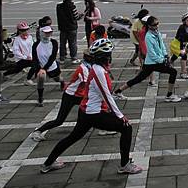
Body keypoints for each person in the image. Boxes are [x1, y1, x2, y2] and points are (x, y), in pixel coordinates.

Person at [40, 39, 143, 175]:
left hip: (87, 111)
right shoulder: (98, 71)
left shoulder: (97, 68)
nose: (110, 57)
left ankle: (48, 163)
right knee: (126, 128)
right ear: (105, 57)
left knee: (73, 137)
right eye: (109, 54)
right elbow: (106, 95)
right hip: (93, 113)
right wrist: (119, 115)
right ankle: (125, 165)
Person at [114, 16, 181, 103]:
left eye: (157, 24)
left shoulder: (157, 33)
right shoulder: (148, 37)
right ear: (149, 26)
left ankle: (117, 92)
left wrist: (165, 55)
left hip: (154, 62)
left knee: (138, 79)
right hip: (153, 62)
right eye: (154, 25)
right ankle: (169, 95)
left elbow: (162, 45)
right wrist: (162, 60)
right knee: (173, 72)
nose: (156, 26)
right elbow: (151, 53)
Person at [31, 49, 93, 141]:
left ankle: (83, 130)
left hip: (79, 95)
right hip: (71, 96)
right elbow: (89, 84)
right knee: (59, 120)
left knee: (89, 112)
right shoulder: (83, 69)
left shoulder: (89, 67)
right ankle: (38, 131)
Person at [33, 26, 65, 106]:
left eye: (49, 32)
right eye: (46, 32)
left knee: (58, 79)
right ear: (41, 33)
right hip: (40, 68)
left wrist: (45, 68)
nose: (48, 34)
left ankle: (62, 82)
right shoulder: (36, 44)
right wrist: (40, 68)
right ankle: (40, 98)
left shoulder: (54, 42)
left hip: (51, 66)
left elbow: (53, 57)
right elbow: (35, 58)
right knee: (41, 78)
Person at [56, 0, 82, 64]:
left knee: (62, 43)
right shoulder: (72, 6)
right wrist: (81, 15)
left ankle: (62, 57)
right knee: (73, 43)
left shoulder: (59, 7)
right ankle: (73, 57)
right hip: (72, 28)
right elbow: (76, 17)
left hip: (63, 28)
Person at [172, 13, 188, 79]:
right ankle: (183, 73)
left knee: (175, 56)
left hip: (181, 44)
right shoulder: (182, 28)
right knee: (184, 56)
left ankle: (167, 64)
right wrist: (181, 49)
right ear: (184, 21)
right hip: (176, 44)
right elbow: (180, 39)